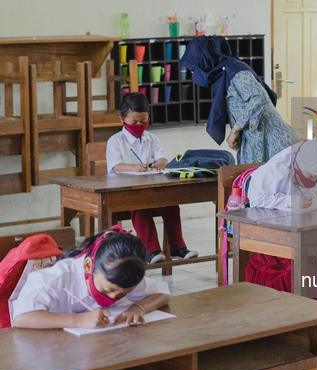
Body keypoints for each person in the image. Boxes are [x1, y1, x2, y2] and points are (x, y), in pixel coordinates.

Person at [247, 138, 317, 338]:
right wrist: (293, 202)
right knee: (300, 270)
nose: (314, 178)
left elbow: (309, 191)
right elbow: (257, 200)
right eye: (312, 174)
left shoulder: (309, 164)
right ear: (298, 165)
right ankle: (302, 326)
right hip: (268, 231)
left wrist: (303, 202)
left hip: (292, 228)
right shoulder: (275, 170)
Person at [11, 226, 170, 329]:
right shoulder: (54, 279)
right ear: (88, 266)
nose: (114, 297)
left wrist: (137, 308)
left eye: (122, 294)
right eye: (108, 290)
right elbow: (22, 317)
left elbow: (162, 294)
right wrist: (79, 321)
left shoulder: (124, 277)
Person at [106, 93, 198, 264]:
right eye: (134, 122)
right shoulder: (115, 141)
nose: (139, 126)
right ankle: (151, 251)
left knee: (171, 204)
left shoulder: (152, 139)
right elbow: (114, 166)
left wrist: (161, 162)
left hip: (150, 189)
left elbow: (162, 158)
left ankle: (178, 247)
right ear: (122, 119)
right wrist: (133, 167)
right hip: (125, 192)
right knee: (140, 206)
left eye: (143, 121)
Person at [180, 35, 297, 164]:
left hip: (274, 142)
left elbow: (259, 98)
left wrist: (235, 130)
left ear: (206, 63)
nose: (192, 74)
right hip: (258, 140)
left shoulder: (236, 73)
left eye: (193, 69)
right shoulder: (223, 74)